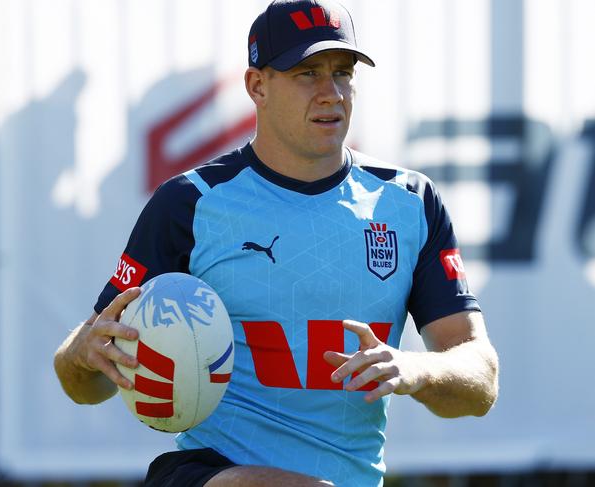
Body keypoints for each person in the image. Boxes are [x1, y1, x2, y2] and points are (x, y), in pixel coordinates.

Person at [54, 0, 499, 485]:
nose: (331, 93)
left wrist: (415, 370)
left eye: (343, 72)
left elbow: (480, 381)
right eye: (307, 73)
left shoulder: (410, 203)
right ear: (257, 86)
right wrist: (81, 353)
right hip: (208, 473)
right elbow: (84, 381)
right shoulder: (190, 203)